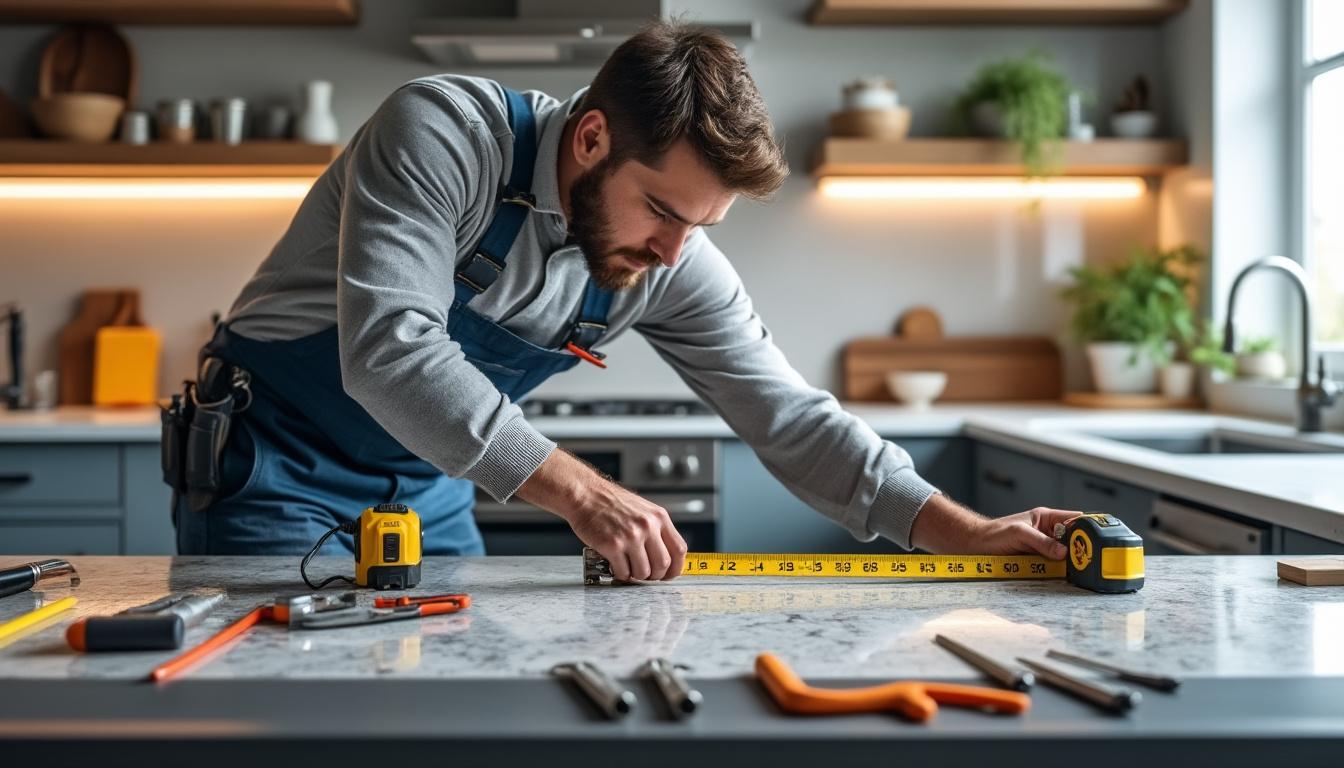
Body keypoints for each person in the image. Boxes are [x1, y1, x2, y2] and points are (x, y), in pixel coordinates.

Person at [174, 21, 1074, 579]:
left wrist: (960, 529)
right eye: (662, 210)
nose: (675, 251)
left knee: (436, 695)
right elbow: (392, 353)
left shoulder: (675, 255)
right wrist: (582, 493)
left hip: (426, 488)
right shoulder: (442, 132)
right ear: (592, 137)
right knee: (287, 712)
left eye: (704, 225)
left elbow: (790, 417)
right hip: (274, 468)